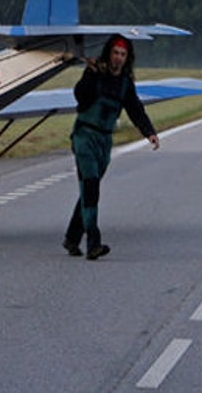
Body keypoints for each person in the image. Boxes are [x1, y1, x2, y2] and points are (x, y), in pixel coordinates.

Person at [63, 35, 160, 260]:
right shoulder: (95, 72)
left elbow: (135, 108)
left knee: (89, 189)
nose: (118, 58)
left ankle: (71, 237)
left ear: (127, 58)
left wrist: (149, 132)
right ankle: (93, 243)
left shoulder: (125, 82)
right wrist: (90, 74)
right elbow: (80, 96)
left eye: (122, 54)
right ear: (109, 53)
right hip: (84, 135)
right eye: (115, 53)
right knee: (91, 186)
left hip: (104, 141)